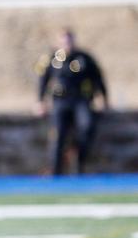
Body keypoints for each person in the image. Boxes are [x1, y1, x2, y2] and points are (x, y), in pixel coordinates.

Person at [35, 28, 109, 176]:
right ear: (59, 42)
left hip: (81, 100)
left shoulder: (84, 58)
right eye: (64, 40)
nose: (67, 43)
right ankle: (56, 173)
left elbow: (98, 78)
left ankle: (78, 164)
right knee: (58, 135)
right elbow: (43, 80)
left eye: (69, 40)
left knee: (87, 127)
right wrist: (40, 101)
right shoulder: (52, 58)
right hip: (60, 101)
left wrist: (104, 98)